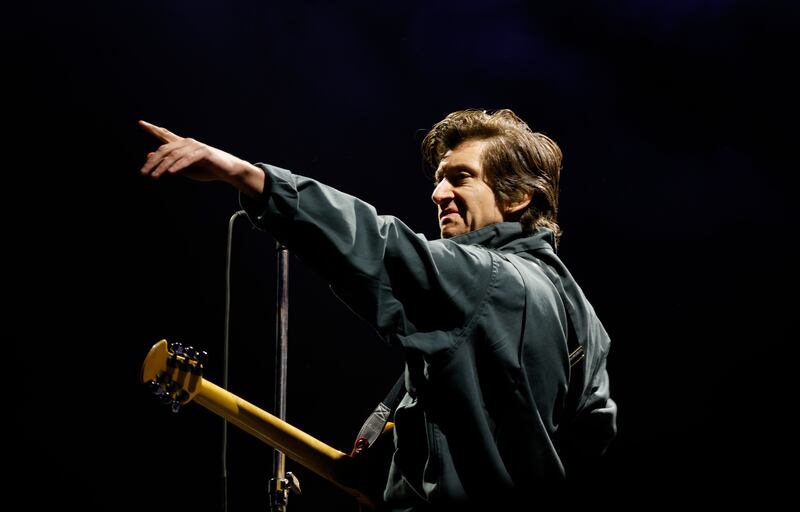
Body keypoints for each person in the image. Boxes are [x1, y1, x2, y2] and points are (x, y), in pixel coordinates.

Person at [139, 109, 617, 511]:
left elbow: (378, 244)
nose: (438, 194)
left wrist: (249, 177)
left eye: (461, 177)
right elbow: (591, 436)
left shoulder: (482, 277)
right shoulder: (586, 321)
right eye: (439, 180)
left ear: (517, 197)